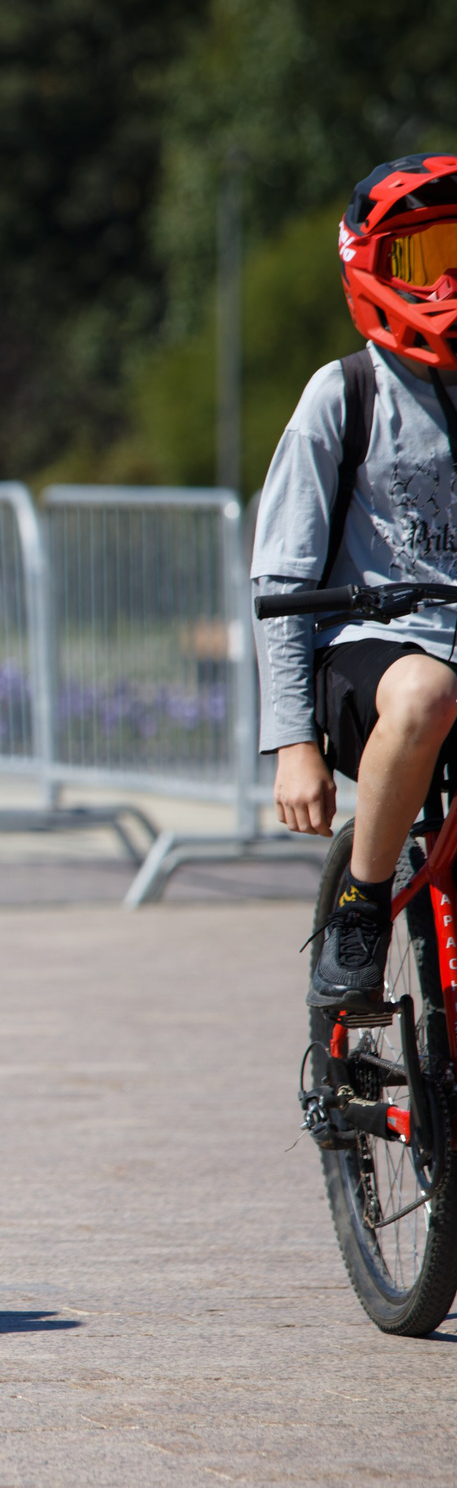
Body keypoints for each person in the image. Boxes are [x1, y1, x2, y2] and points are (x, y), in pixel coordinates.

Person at [260, 153, 457, 1008]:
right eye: (422, 257)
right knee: (424, 691)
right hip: (372, 662)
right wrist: (293, 743)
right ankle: (361, 908)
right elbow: (281, 576)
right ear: (373, 267)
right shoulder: (343, 395)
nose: (447, 278)